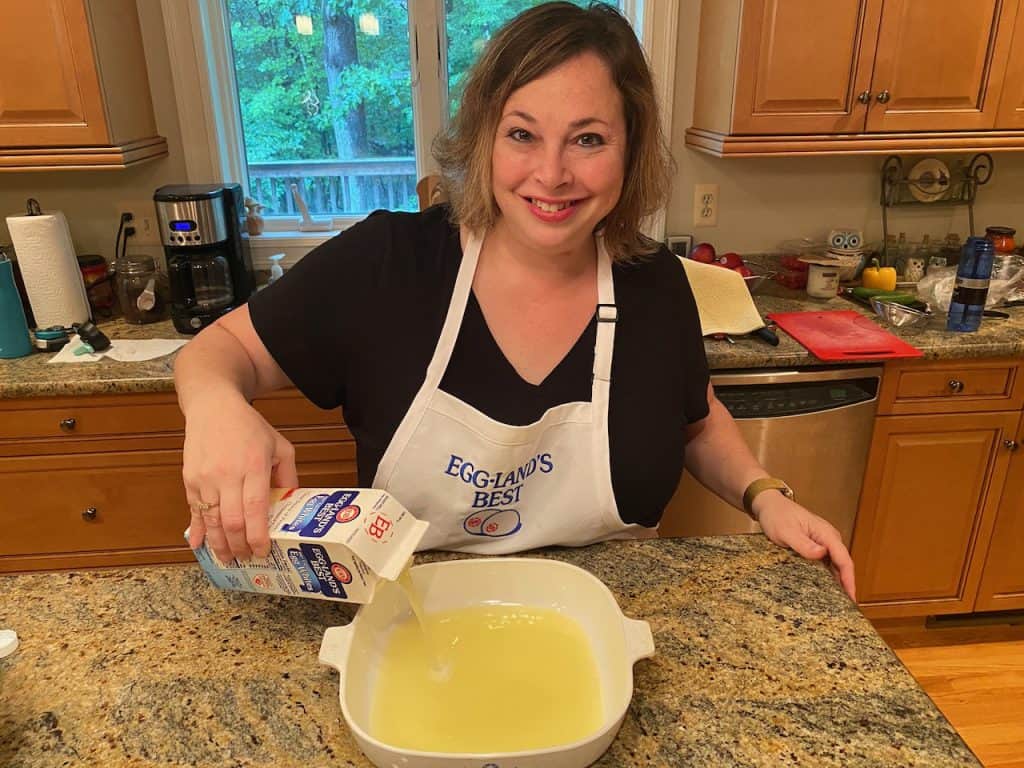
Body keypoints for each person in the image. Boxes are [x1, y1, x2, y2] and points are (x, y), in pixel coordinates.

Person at [174, 2, 856, 600]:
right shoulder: (389, 263)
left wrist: (765, 497)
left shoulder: (654, 285)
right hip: (420, 629)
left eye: (588, 139)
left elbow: (696, 419)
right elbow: (218, 350)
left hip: (602, 632)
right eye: (522, 134)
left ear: (630, 152)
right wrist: (215, 408)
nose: (551, 174)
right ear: (484, 140)